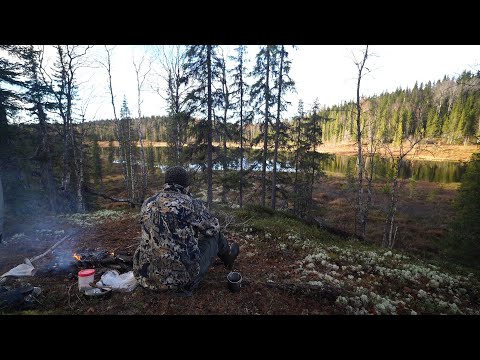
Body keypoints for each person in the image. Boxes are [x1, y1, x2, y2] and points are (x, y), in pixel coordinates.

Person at [133, 166, 240, 294]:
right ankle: (229, 260)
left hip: (146, 278)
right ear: (186, 185)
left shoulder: (148, 203)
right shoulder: (190, 203)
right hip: (181, 281)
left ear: (166, 183)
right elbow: (213, 228)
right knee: (216, 236)